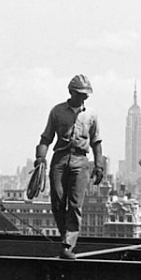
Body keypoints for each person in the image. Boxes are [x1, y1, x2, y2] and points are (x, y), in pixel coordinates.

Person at [35, 74, 104, 259]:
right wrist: (40, 157)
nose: (85, 97)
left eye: (86, 94)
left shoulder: (91, 114)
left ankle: (67, 245)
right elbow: (46, 138)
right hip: (60, 159)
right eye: (81, 93)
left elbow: (96, 141)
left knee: (75, 204)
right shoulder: (57, 111)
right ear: (71, 92)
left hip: (81, 161)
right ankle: (64, 237)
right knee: (58, 201)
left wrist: (99, 165)